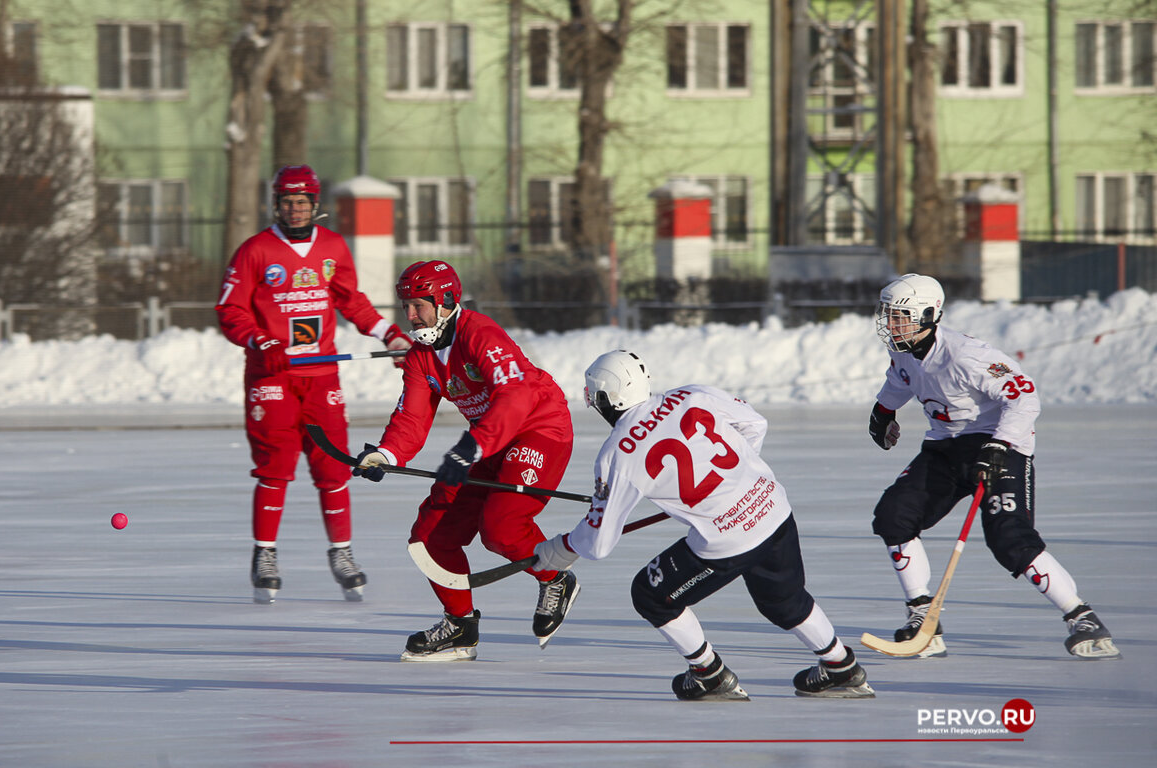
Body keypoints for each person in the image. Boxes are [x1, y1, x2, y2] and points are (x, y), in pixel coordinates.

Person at [532, 350, 875, 701]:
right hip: (772, 508)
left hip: (727, 541)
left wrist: (558, 549)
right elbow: (755, 424)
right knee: (784, 601)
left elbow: (598, 543)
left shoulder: (618, 453)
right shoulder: (693, 394)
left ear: (605, 399)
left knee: (650, 595)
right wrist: (734, 482)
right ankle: (841, 667)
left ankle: (708, 675)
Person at [866, 273, 1119, 659]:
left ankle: (1081, 617)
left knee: (1009, 540)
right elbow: (900, 381)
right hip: (946, 448)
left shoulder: (968, 355)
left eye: (900, 315)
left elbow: (1025, 397)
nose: (891, 323)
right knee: (893, 516)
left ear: (929, 315)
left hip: (997, 445)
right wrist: (883, 412)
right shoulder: (904, 350)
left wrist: (1000, 445)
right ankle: (923, 616)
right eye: (888, 314)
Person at [352, 259, 579, 661]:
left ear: (446, 301)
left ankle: (555, 576)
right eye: (405, 306)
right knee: (430, 535)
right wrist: (386, 454)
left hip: (538, 428)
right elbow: (412, 416)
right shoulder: (422, 355)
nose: (410, 315)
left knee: (501, 528)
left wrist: (472, 447)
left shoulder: (481, 334)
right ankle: (459, 626)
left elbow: (517, 397)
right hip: (486, 438)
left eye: (418, 305)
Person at [216, 164, 414, 604]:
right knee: (275, 469)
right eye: (287, 202)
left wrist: (391, 335)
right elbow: (230, 311)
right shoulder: (255, 251)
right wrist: (259, 339)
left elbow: (352, 301)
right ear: (276, 204)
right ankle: (264, 554)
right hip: (273, 377)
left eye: (303, 202)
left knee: (333, 468)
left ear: (315, 205)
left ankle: (342, 553)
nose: (295, 209)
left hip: (321, 378)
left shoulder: (332, 247)